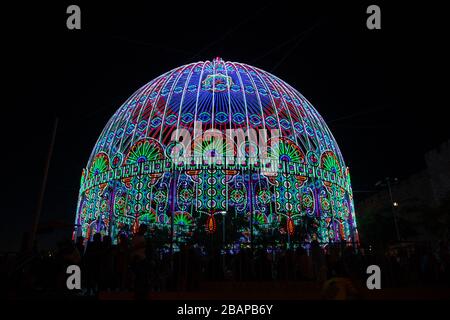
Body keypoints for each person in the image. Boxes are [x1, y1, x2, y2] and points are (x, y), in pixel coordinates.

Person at [131, 224, 149, 299]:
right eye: (144, 229)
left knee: (142, 276)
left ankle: (140, 291)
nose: (144, 231)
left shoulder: (141, 237)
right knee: (139, 275)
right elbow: (134, 247)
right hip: (137, 258)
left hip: (142, 258)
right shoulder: (137, 236)